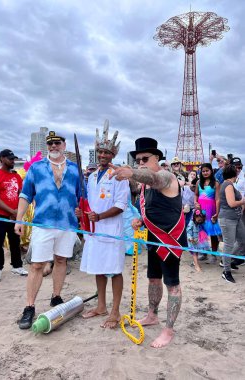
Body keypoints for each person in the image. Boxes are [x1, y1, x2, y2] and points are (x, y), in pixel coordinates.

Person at [109, 137, 187, 348]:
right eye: (138, 160)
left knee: (172, 285)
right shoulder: (145, 186)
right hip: (153, 237)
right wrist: (141, 221)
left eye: (145, 158)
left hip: (170, 239)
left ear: (157, 158)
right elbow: (155, 209)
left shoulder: (165, 176)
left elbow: (155, 179)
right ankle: (153, 315)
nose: (141, 162)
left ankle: (168, 330)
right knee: (153, 279)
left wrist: (132, 172)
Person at [15, 131, 81, 329]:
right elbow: (25, 195)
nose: (53, 146)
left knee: (61, 260)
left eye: (57, 143)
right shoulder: (36, 168)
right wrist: (19, 219)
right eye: (50, 143)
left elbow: (80, 196)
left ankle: (56, 297)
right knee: (37, 265)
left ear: (64, 145)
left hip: (67, 225)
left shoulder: (75, 169)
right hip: (43, 224)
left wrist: (81, 210)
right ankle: (29, 306)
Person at [76, 121, 129, 329]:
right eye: (100, 152)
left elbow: (120, 205)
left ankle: (115, 312)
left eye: (107, 153)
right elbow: (91, 202)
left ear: (113, 155)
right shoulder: (92, 176)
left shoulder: (119, 175)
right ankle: (101, 306)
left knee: (114, 270)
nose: (103, 156)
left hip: (112, 230)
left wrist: (100, 216)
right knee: (99, 268)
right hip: (95, 231)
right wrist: (83, 212)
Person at [0, 150, 27, 282]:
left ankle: (17, 266)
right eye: (10, 159)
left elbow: (21, 194)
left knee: (15, 241)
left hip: (14, 215)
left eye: (13, 159)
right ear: (2, 159)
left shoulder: (16, 177)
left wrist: (18, 211)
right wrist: (12, 211)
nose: (13, 161)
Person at [218, 165, 245, 283]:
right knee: (228, 244)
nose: (239, 171)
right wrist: (243, 201)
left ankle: (230, 261)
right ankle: (226, 271)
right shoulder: (228, 185)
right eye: (237, 170)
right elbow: (232, 203)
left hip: (236, 218)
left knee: (242, 240)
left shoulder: (229, 185)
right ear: (234, 173)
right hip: (228, 219)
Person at [194, 163, 221, 262]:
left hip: (211, 209)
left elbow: (218, 199)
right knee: (202, 231)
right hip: (201, 210)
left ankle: (213, 254)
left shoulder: (216, 183)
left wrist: (217, 213)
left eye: (207, 170)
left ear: (211, 171)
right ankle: (203, 253)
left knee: (213, 232)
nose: (205, 173)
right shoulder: (198, 182)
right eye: (203, 171)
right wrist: (195, 202)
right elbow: (196, 195)